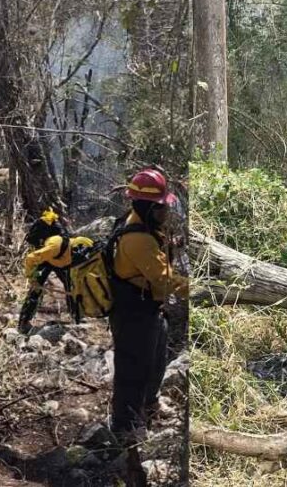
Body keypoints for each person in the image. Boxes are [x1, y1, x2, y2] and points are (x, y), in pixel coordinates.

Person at [108, 167, 189, 445]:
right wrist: (198, 289)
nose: (165, 213)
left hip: (149, 309)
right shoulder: (137, 239)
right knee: (132, 368)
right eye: (160, 208)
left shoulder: (141, 226)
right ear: (146, 207)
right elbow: (164, 280)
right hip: (134, 313)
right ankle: (125, 426)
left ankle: (149, 404)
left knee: (155, 362)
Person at [17, 208, 94, 334]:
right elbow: (30, 259)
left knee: (71, 287)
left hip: (60, 260)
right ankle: (23, 323)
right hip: (46, 259)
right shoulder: (54, 246)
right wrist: (32, 278)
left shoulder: (73, 248)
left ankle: (77, 318)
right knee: (35, 290)